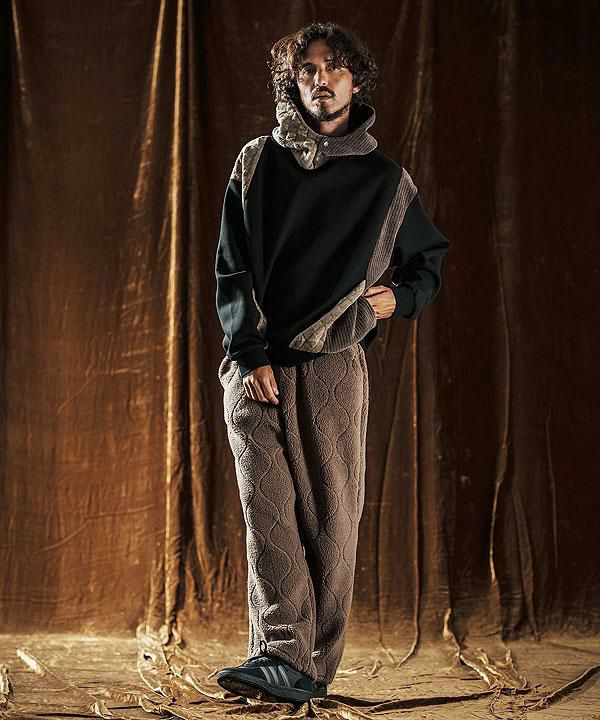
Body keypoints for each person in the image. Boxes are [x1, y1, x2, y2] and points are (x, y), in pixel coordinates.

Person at [214, 21, 450, 705]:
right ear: (294, 81)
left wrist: (400, 297)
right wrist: (246, 352)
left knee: (330, 522)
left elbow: (429, 262)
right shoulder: (257, 162)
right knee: (270, 518)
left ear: (356, 80)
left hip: (333, 369)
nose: (322, 79)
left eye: (336, 67)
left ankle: (310, 667)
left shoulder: (385, 181)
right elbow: (231, 267)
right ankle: (279, 656)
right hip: (255, 366)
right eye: (309, 69)